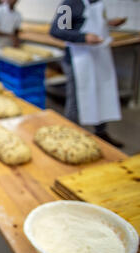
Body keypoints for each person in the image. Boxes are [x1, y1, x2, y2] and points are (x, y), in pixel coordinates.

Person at [50, 0, 127, 148]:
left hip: (98, 56)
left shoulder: (98, 3)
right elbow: (57, 30)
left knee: (102, 93)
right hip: (78, 59)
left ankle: (101, 132)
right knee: (76, 98)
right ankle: (70, 134)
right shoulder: (70, 4)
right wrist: (83, 37)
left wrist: (108, 23)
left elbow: (91, 22)